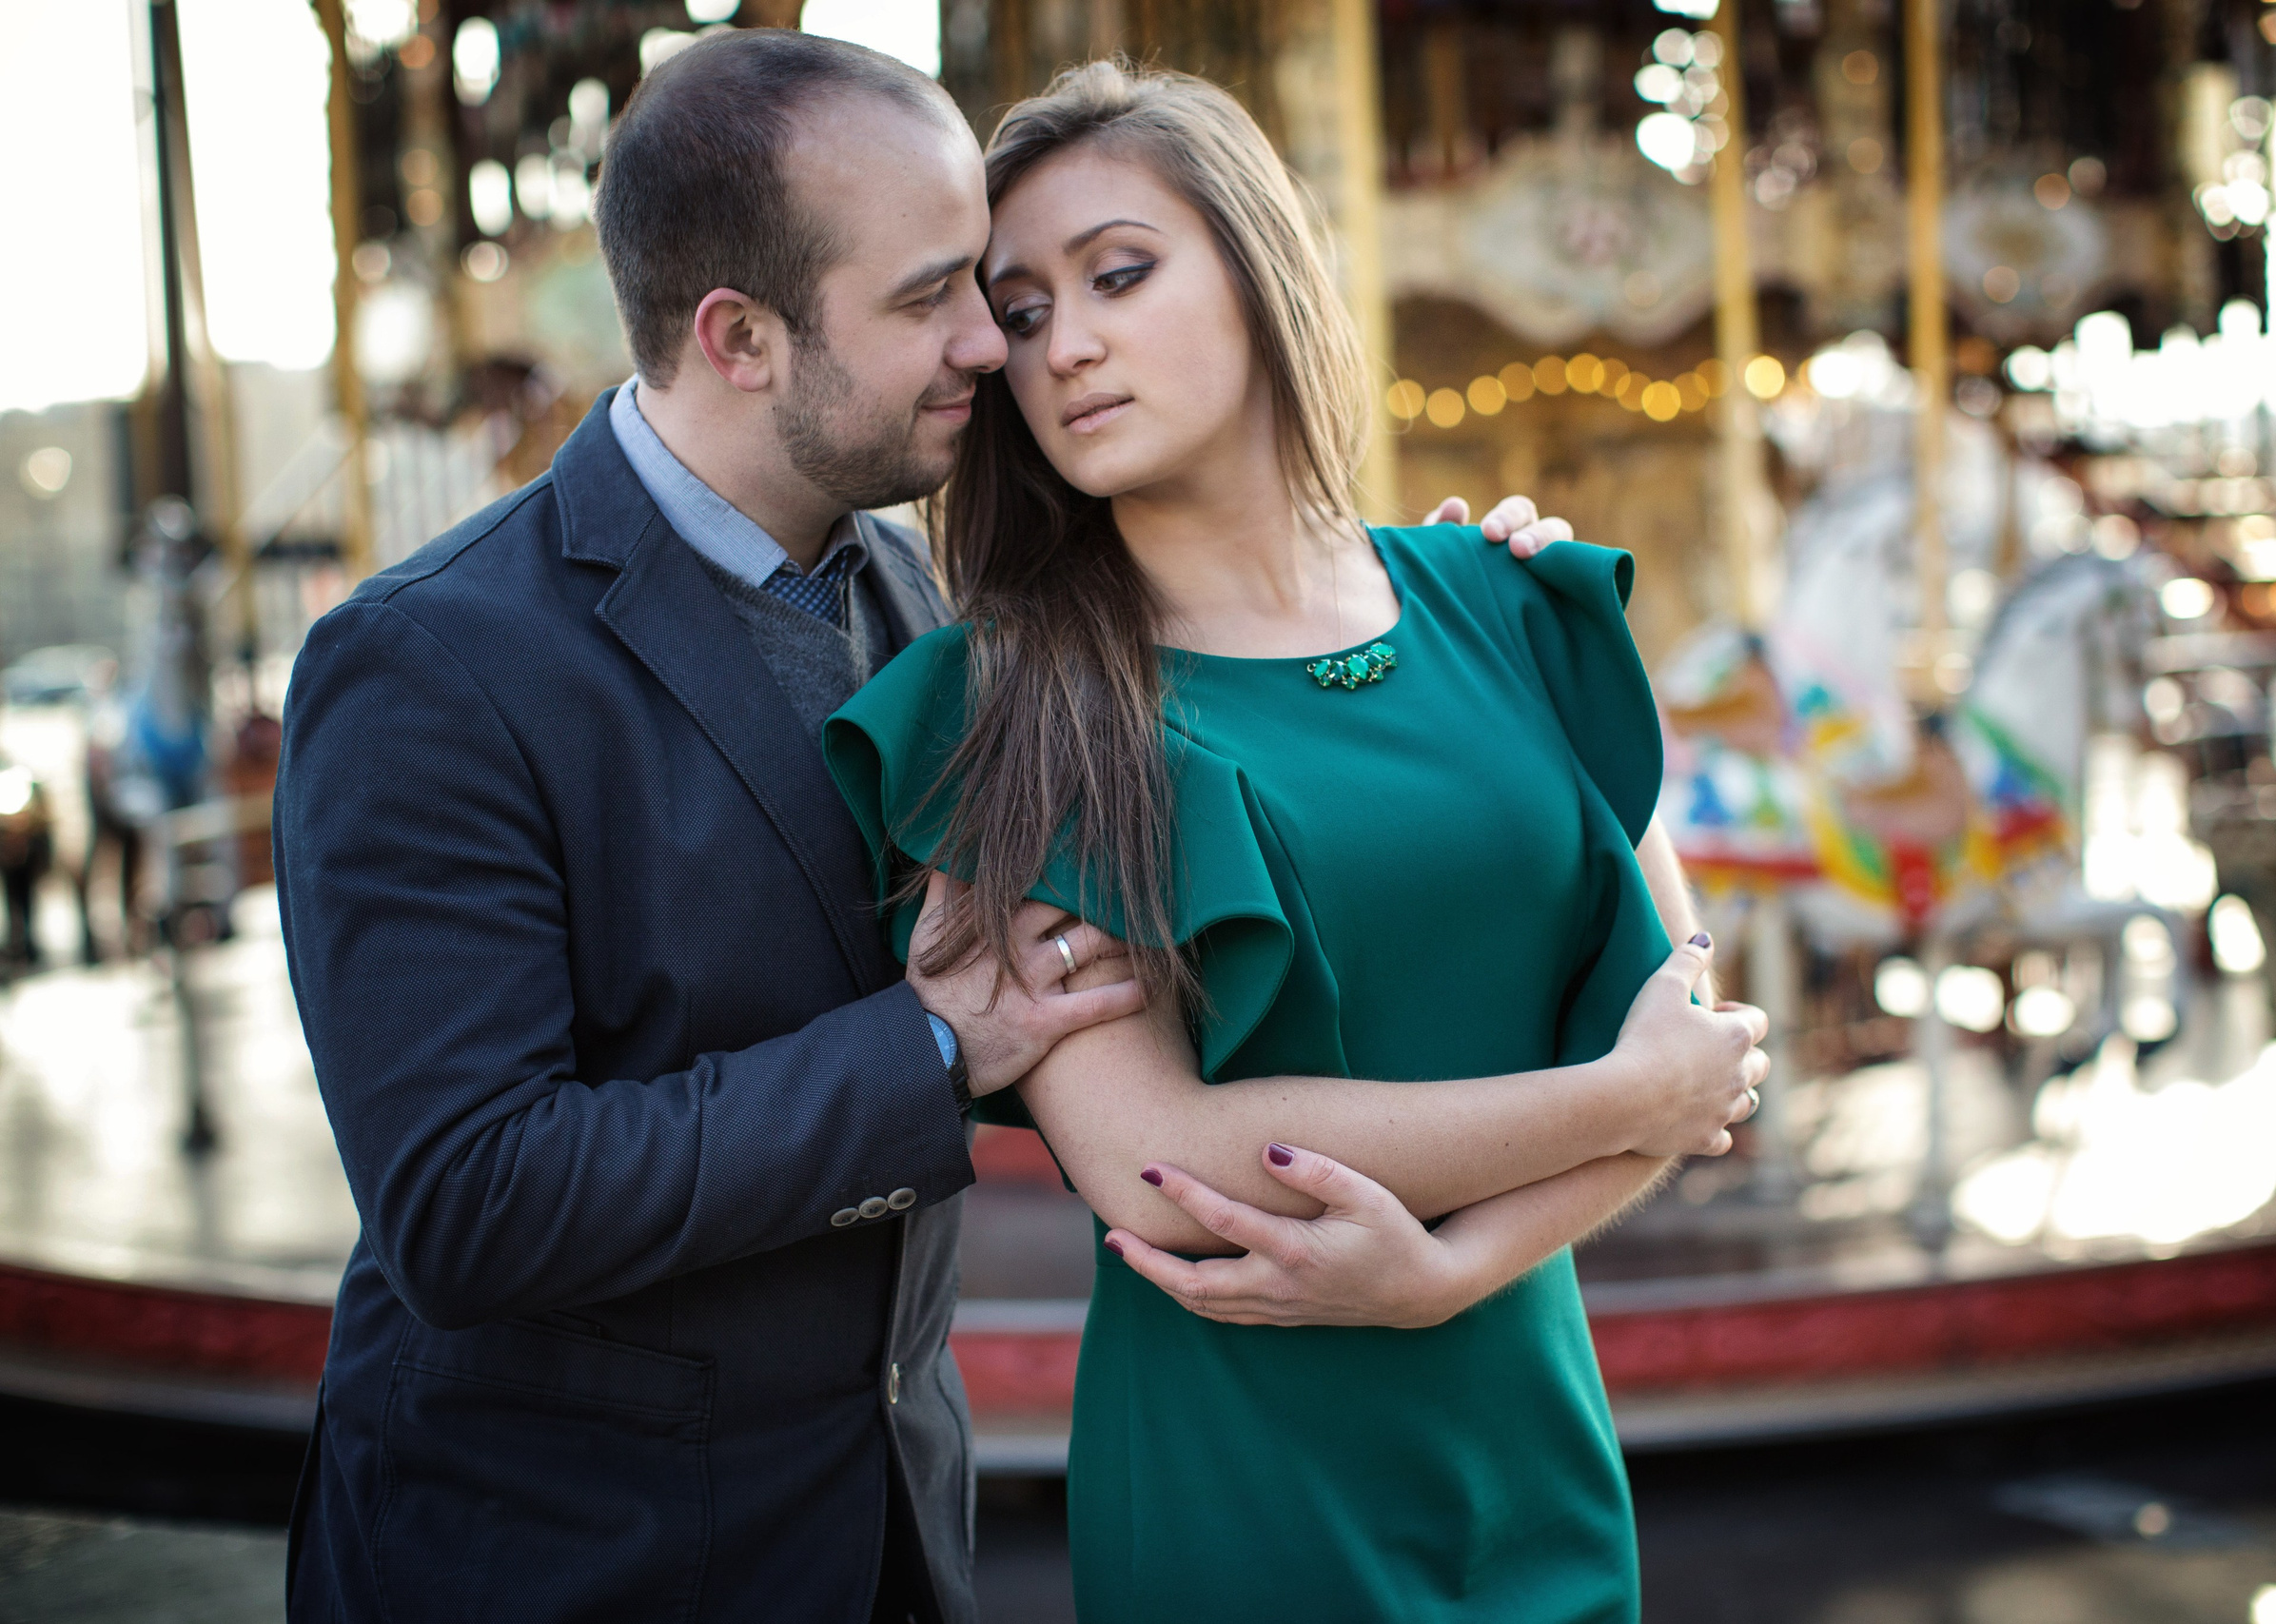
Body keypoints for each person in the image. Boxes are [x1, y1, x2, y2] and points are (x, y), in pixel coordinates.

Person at [274, 29, 1585, 1624]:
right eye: (935, 300)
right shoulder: (431, 661)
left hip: (883, 1522)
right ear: (740, 337)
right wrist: (932, 1049)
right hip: (560, 1557)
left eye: (992, 287)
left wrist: (1424, 655)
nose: (994, 343)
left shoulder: (931, 608)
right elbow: (466, 1204)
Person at [824, 60, 1771, 1624]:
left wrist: (1456, 1274)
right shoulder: (1024, 706)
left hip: (1532, 1456)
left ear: (1259, 271)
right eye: (1030, 312)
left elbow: (1692, 1050)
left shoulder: (1509, 603)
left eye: (1120, 273)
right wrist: (1614, 1101)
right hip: (1245, 1489)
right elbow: (1160, 1166)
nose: (1071, 345)